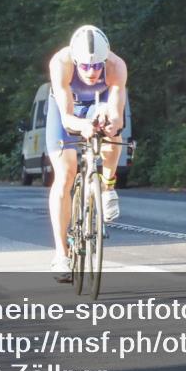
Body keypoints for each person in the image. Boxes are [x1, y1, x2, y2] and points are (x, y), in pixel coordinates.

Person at [46, 25, 128, 272]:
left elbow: (118, 117)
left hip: (99, 104)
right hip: (68, 111)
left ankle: (107, 186)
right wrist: (83, 126)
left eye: (96, 66)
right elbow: (67, 118)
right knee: (64, 175)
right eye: (85, 66)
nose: (91, 72)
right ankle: (62, 253)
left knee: (112, 135)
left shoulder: (116, 66)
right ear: (75, 60)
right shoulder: (61, 63)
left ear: (105, 60)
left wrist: (108, 121)